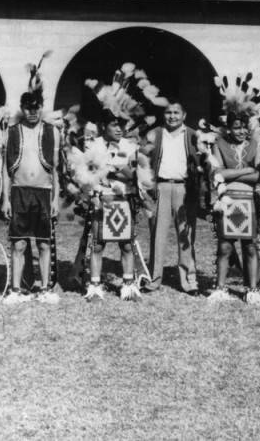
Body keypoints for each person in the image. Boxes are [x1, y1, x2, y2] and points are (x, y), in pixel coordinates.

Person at [1, 91, 61, 304]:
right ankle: (15, 290)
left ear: (42, 107)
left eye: (36, 107)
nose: (32, 112)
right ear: (22, 108)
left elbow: (55, 169)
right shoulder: (12, 132)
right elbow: (6, 169)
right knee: (19, 245)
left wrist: (55, 199)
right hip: (19, 191)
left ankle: (44, 288)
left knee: (44, 244)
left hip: (43, 192)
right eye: (28, 108)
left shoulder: (52, 132)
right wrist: (6, 199)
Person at [207, 114, 260, 305]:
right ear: (228, 128)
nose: (241, 131)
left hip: (249, 200)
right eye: (236, 127)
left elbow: (258, 176)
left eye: (244, 127)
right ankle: (220, 288)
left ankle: (251, 290)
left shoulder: (255, 144)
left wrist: (232, 174)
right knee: (225, 246)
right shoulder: (219, 144)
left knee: (250, 246)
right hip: (227, 200)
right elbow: (217, 174)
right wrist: (246, 171)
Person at [82, 112, 142, 301]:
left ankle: (128, 286)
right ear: (103, 126)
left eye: (121, 125)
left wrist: (111, 168)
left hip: (124, 197)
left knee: (126, 244)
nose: (119, 129)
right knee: (98, 245)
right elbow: (88, 174)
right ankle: (94, 286)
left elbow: (133, 174)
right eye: (114, 125)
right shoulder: (93, 145)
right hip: (101, 198)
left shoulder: (129, 146)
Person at [143, 100, 201, 295]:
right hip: (160, 187)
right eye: (168, 112)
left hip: (184, 189)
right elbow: (143, 160)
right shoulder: (155, 134)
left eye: (177, 112)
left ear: (184, 115)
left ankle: (189, 280)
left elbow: (203, 163)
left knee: (186, 236)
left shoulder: (194, 136)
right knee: (157, 235)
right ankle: (154, 279)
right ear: (164, 115)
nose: (172, 116)